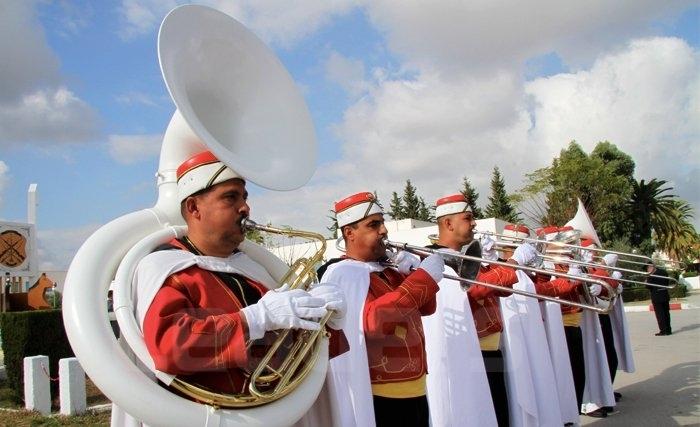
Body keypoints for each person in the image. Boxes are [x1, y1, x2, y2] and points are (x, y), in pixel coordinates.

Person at [136, 151, 347, 398]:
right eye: (230, 198)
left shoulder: (254, 268)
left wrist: (322, 317)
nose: (245, 207)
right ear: (194, 208)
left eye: (244, 197)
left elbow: (290, 350)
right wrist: (251, 321)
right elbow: (171, 347)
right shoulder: (165, 269)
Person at [318, 191, 444, 427]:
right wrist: (422, 280)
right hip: (382, 393)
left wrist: (414, 273)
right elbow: (371, 323)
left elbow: (426, 308)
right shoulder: (342, 273)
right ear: (349, 233)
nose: (384, 230)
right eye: (373, 225)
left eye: (382, 222)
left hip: (416, 384)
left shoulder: (387, 268)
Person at [422, 194, 497, 426]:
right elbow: (474, 292)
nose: (474, 223)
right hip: (457, 353)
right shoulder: (428, 256)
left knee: (488, 408)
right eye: (468, 218)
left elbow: (500, 291)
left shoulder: (468, 255)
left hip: (481, 347)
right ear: (448, 224)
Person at [646, 262, 672, 336]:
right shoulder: (664, 272)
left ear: (651, 267)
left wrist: (647, 278)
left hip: (656, 297)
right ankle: (668, 330)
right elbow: (667, 282)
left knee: (660, 314)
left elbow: (648, 286)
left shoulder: (651, 275)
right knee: (666, 313)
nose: (647, 270)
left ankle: (663, 331)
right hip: (665, 295)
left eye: (648, 268)